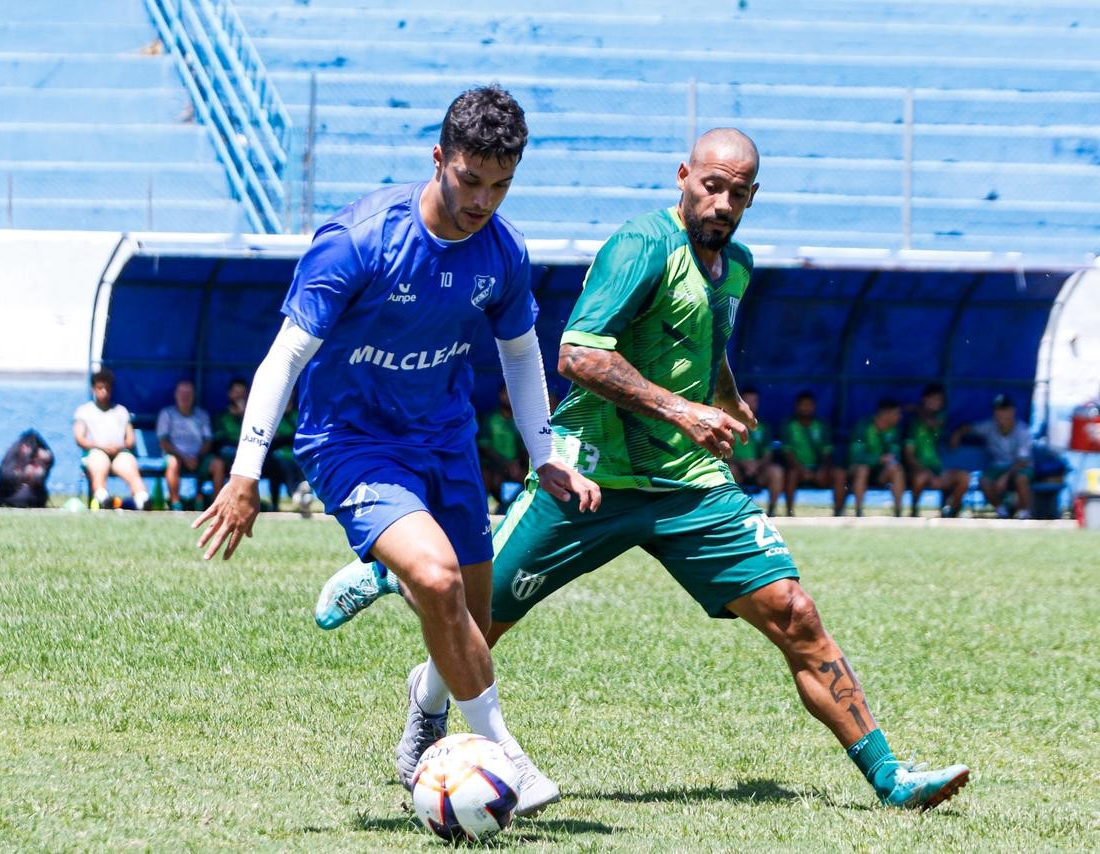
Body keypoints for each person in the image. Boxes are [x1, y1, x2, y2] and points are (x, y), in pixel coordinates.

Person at [318, 128, 969, 811]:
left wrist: (723, 395)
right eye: (711, 186)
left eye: (737, 193)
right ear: (684, 176)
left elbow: (705, 341)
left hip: (690, 487)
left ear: (752, 197)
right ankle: (416, 645)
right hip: (590, 477)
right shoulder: (640, 247)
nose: (722, 202)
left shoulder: (736, 266)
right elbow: (579, 354)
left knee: (795, 613)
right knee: (480, 624)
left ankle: (891, 777)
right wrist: (684, 412)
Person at [193, 85, 599, 817]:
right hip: (350, 441)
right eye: (470, 180)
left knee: (477, 617)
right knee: (440, 584)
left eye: (501, 186)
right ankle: (507, 757)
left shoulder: (502, 253)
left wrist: (545, 453)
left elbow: (519, 356)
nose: (483, 201)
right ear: (438, 158)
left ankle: (424, 695)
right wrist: (245, 475)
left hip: (443, 439)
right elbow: (283, 358)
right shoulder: (359, 241)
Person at [73, 367, 150, 511]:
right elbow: (80, 439)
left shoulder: (121, 411)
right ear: (93, 389)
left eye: (107, 388)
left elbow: (130, 440)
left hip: (119, 453)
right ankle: (103, 498)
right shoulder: (84, 412)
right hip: (95, 452)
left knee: (129, 466)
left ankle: (143, 499)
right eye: (100, 388)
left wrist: (118, 447)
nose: (104, 392)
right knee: (98, 462)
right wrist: (101, 447)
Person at [956, 393, 1033, 519]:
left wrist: (1005, 477)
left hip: (1020, 467)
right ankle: (1001, 511)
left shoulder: (1022, 431)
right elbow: (970, 428)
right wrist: (957, 434)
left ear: (1012, 411)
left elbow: (1022, 461)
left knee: (1021, 478)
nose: (1001, 414)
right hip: (997, 467)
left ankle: (1025, 512)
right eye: (997, 410)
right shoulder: (989, 426)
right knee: (984, 480)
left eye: (1004, 410)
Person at [157, 379, 225, 511]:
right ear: (176, 395)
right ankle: (176, 504)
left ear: (193, 396)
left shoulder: (202, 415)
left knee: (218, 464)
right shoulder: (166, 414)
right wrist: (184, 457)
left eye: (188, 393)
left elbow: (208, 440)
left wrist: (197, 456)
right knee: (172, 463)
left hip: (199, 457)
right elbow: (163, 442)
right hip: (176, 456)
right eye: (182, 393)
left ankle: (217, 506)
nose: (185, 396)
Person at [904, 383, 970, 518]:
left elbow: (933, 423)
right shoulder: (912, 424)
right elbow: (908, 455)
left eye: (938, 400)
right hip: (918, 469)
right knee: (920, 477)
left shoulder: (940, 417)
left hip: (937, 469)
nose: (934, 403)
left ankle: (951, 512)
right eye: (931, 399)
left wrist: (917, 409)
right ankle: (914, 511)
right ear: (924, 399)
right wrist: (924, 471)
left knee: (964, 477)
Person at [780, 391, 848, 516]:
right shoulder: (789, 425)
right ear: (797, 406)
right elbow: (788, 453)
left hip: (819, 470)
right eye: (803, 405)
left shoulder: (822, 425)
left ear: (814, 407)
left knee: (840, 474)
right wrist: (802, 470)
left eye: (809, 405)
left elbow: (827, 452)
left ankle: (839, 513)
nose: (806, 408)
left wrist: (822, 469)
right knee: (791, 474)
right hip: (797, 470)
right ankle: (789, 513)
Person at [726, 385, 783, 516]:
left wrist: (757, 464)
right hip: (737, 469)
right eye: (747, 401)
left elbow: (768, 454)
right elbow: (724, 453)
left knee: (776, 471)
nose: (751, 405)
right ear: (740, 403)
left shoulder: (763, 426)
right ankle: (731, 512)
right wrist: (743, 463)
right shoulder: (729, 423)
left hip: (759, 470)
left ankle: (772, 511)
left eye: (755, 401)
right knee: (730, 470)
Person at [848, 398, 906, 518]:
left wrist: (888, 460)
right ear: (886, 414)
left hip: (881, 473)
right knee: (862, 469)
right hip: (859, 471)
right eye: (897, 413)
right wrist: (878, 459)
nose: (900, 417)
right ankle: (858, 512)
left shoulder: (894, 431)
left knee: (896, 468)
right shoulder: (863, 426)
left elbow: (895, 455)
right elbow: (856, 455)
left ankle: (898, 512)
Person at [478, 384, 528, 512]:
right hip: (493, 465)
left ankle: (509, 510)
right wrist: (506, 464)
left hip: (515, 466)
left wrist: (520, 464)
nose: (510, 397)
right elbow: (485, 447)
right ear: (500, 396)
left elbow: (524, 448)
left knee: (533, 479)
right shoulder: (490, 418)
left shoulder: (520, 420)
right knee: (485, 477)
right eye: (507, 393)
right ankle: (481, 512)